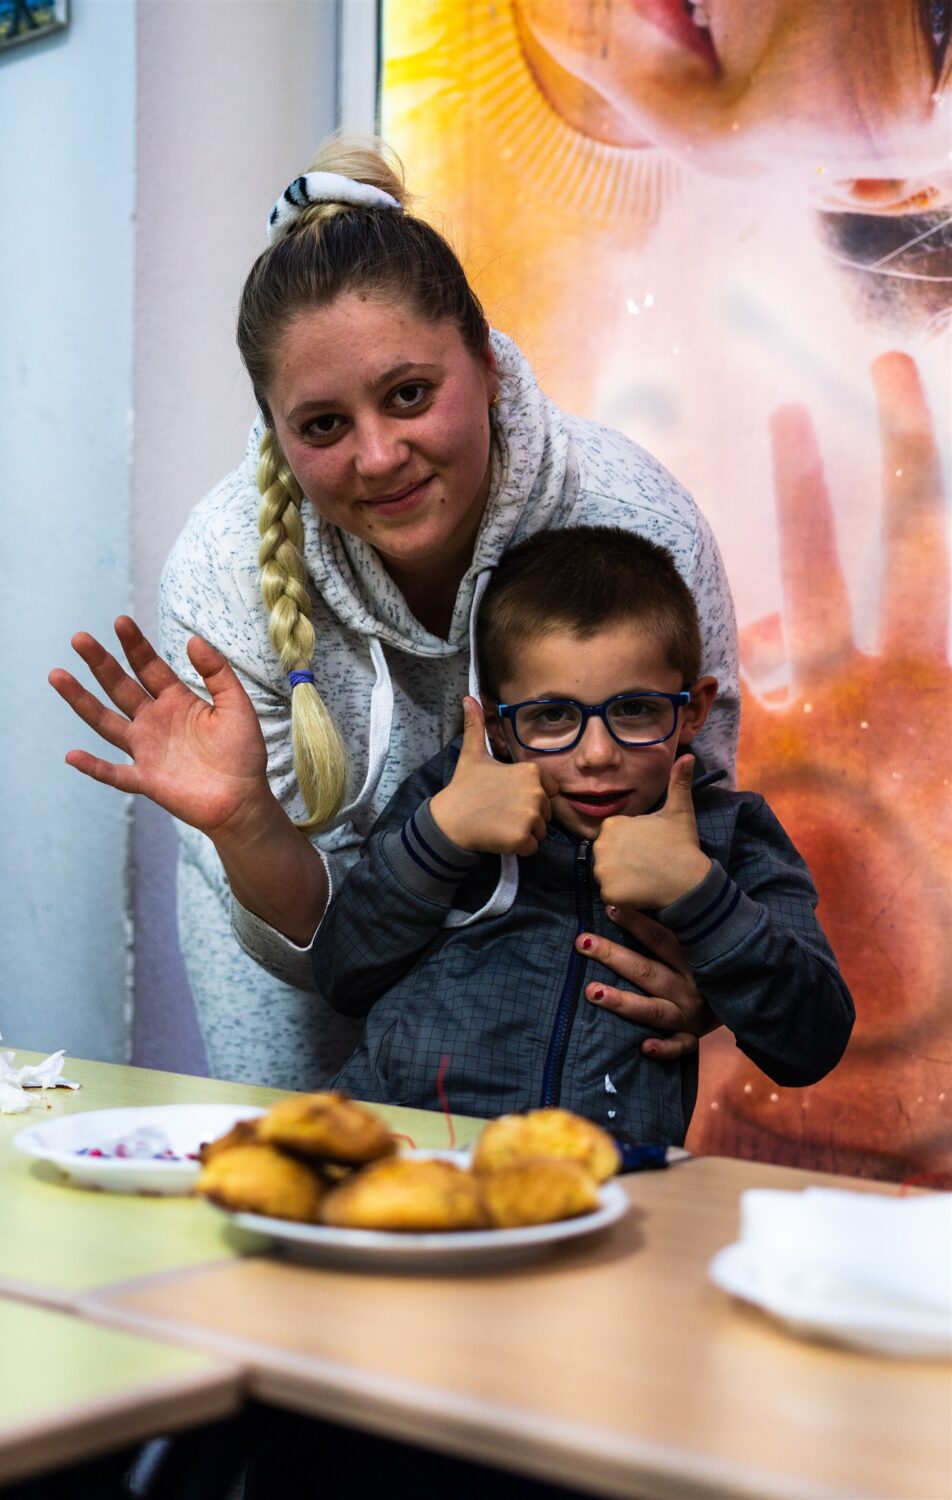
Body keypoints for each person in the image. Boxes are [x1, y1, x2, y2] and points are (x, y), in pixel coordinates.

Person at [49, 137, 740, 1089]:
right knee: (293, 1203)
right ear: (275, 431)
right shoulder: (225, 574)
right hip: (308, 931)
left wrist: (701, 966)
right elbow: (322, 960)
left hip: (558, 956)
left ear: (488, 364)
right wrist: (247, 822)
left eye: (410, 395)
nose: (379, 458)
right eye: (324, 425)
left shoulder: (635, 520)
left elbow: (690, 820)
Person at [311, 526, 853, 1140]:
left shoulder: (733, 835)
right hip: (405, 1168)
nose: (597, 754)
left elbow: (813, 1044)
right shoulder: (451, 801)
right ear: (496, 726)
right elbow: (340, 975)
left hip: (608, 1194)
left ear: (694, 710)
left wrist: (701, 897)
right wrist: (442, 837)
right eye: (551, 715)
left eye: (635, 709)